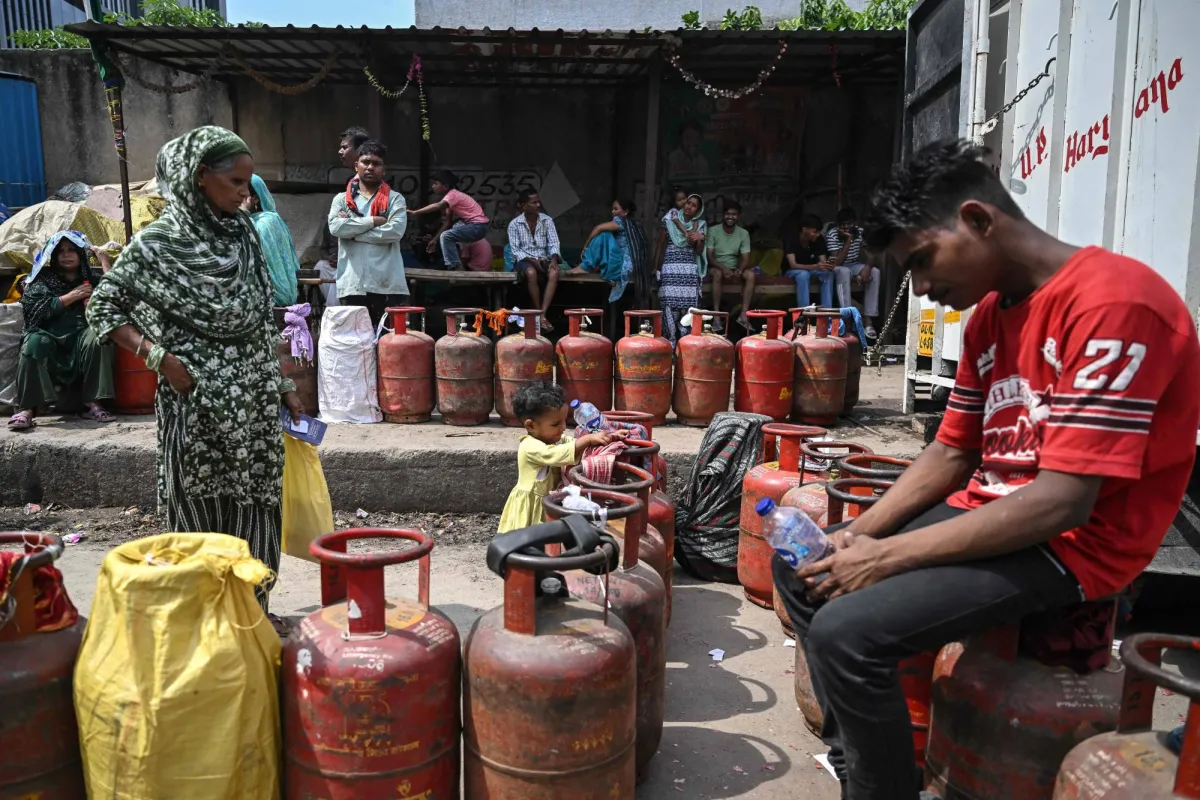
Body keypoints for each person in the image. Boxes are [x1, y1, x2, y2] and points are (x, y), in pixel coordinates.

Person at [773, 139, 1200, 800]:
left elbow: (1062, 503)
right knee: (804, 571)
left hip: (1073, 546)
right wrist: (859, 536)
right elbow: (951, 453)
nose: (922, 288)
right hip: (995, 509)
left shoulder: (1116, 303)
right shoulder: (988, 321)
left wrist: (885, 560)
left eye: (921, 262)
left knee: (847, 633)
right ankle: (860, 761)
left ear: (977, 220)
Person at [86, 126, 304, 619]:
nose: (245, 193)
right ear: (199, 177)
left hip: (252, 393)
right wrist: (160, 359)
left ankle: (252, 613)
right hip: (197, 397)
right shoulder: (157, 244)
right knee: (200, 503)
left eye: (249, 182)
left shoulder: (244, 232)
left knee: (258, 502)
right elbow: (103, 308)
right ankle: (202, 618)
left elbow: (255, 313)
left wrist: (283, 381)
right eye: (235, 182)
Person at [8, 231, 116, 430]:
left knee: (99, 336)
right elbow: (34, 313)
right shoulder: (41, 280)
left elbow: (117, 293)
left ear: (80, 254)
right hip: (50, 339)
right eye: (61, 251)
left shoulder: (91, 280)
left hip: (80, 340)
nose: (67, 255)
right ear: (54, 256)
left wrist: (103, 260)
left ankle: (93, 403)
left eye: (72, 250)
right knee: (33, 342)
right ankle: (27, 410)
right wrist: (70, 297)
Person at [497, 382, 626, 535]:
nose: (563, 427)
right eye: (556, 424)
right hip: (531, 505)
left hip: (548, 501)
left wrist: (607, 436)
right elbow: (556, 454)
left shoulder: (554, 439)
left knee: (546, 541)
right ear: (531, 426)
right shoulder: (529, 446)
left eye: (564, 420)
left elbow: (572, 444)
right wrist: (587, 440)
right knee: (526, 539)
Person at [328, 140, 408, 328]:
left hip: (387, 284)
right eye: (365, 162)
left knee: (389, 346)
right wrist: (372, 221)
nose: (370, 167)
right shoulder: (341, 199)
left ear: (384, 169)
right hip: (352, 284)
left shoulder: (395, 199)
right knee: (355, 347)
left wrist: (353, 233)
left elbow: (395, 231)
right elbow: (336, 228)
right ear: (356, 166)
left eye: (376, 163)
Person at [317, 125, 372, 308]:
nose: (340, 151)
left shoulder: (367, 183)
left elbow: (354, 224)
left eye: (345, 147)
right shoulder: (353, 184)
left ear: (359, 151)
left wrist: (348, 223)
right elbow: (337, 225)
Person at [406, 169, 490, 271]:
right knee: (448, 235)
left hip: (477, 226)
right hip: (479, 227)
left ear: (445, 186)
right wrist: (435, 240)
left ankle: (455, 267)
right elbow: (447, 223)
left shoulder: (453, 195)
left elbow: (438, 205)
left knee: (447, 236)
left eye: (436, 184)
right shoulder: (451, 201)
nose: (433, 186)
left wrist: (415, 212)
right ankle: (456, 266)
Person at [572, 198, 650, 304]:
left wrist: (585, 248)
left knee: (604, 234)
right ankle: (592, 266)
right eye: (612, 209)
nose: (613, 212)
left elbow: (597, 228)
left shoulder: (621, 221)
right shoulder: (635, 224)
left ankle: (585, 266)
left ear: (625, 212)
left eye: (616, 209)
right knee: (609, 240)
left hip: (621, 268)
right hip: (633, 269)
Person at [507, 190, 563, 332]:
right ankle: (538, 312)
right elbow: (516, 250)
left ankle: (542, 314)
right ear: (524, 206)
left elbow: (554, 243)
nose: (538, 205)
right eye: (534, 202)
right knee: (531, 272)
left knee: (554, 273)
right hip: (524, 260)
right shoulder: (514, 224)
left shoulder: (547, 220)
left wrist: (554, 260)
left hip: (543, 258)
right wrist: (532, 261)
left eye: (538, 201)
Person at [243, 175, 299, 307]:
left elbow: (253, 247)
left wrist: (244, 213)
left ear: (255, 198)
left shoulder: (266, 221)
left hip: (272, 296)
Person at [659, 193, 707, 345]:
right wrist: (656, 268)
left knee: (687, 308)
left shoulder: (700, 225)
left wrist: (700, 239)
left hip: (688, 271)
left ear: (698, 210)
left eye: (694, 206)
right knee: (669, 306)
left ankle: (684, 344)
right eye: (688, 203)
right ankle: (671, 343)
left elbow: (699, 251)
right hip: (670, 268)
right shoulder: (670, 219)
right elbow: (660, 246)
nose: (689, 207)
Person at [828, 206, 880, 339]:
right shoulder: (832, 234)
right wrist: (848, 240)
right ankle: (848, 318)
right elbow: (837, 262)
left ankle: (868, 321)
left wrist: (867, 268)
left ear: (855, 223)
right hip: (836, 267)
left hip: (854, 265)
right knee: (844, 271)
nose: (846, 227)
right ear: (838, 225)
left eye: (849, 224)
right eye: (843, 225)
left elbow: (872, 251)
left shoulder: (861, 232)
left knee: (875, 272)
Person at [706, 201, 755, 330]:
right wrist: (723, 268)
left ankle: (743, 316)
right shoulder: (713, 231)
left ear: (738, 216)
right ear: (723, 215)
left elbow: (745, 257)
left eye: (734, 214)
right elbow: (709, 256)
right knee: (717, 274)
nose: (730, 217)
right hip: (716, 267)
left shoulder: (743, 233)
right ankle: (716, 317)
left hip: (733, 268)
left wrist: (740, 269)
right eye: (728, 214)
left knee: (750, 275)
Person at [784, 213, 835, 309]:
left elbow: (822, 262)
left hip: (812, 270)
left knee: (827, 274)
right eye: (814, 231)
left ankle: (827, 312)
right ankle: (804, 314)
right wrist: (815, 266)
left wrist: (827, 265)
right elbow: (793, 265)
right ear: (804, 229)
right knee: (803, 274)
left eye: (818, 232)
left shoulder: (819, 239)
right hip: (792, 271)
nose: (817, 234)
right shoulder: (791, 239)